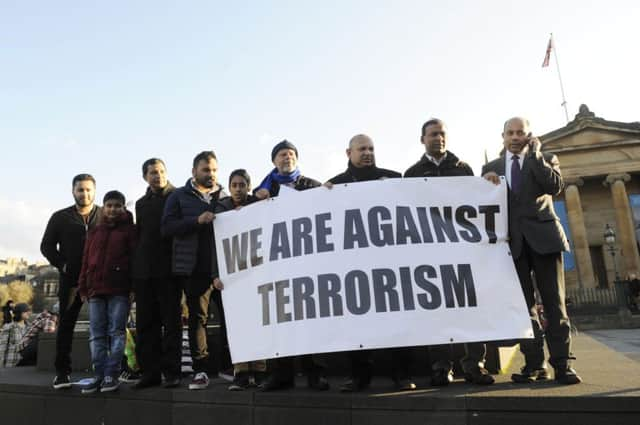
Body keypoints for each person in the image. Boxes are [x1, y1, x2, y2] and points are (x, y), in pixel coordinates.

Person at [482, 117, 581, 385]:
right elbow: (484, 204)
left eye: (520, 133)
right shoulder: (490, 167)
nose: (515, 137)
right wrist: (485, 184)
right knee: (523, 308)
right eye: (510, 133)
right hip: (513, 245)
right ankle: (534, 364)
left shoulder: (546, 157)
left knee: (554, 304)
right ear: (502, 136)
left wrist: (536, 154)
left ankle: (563, 364)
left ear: (529, 135)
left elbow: (554, 187)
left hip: (545, 239)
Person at [405, 118, 494, 386]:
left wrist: (489, 183)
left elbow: (479, 204)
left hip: (461, 251)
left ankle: (474, 365)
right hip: (430, 254)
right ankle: (441, 367)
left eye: (442, 134)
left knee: (471, 309)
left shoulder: (463, 168)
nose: (438, 138)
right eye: (433, 134)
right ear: (422, 139)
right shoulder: (410, 174)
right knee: (437, 311)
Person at [326, 134, 415, 392]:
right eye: (362, 149)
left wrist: (398, 190)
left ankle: (401, 374)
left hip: (392, 264)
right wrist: (323, 196)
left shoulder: (394, 178)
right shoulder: (335, 185)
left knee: (398, 319)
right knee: (357, 322)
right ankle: (359, 377)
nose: (367, 153)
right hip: (355, 267)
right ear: (348, 153)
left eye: (371, 148)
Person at [253, 140, 328, 391]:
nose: (288, 157)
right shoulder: (263, 191)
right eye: (282, 154)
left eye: (292, 154)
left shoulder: (311, 185)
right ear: (274, 161)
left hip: (307, 265)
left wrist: (332, 193)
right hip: (277, 267)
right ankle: (281, 374)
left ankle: (314, 373)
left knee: (310, 321)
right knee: (280, 321)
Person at [162, 151, 227, 390]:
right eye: (205, 170)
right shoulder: (178, 196)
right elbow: (167, 227)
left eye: (214, 170)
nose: (211, 174)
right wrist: (196, 221)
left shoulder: (226, 195)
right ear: (194, 172)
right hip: (195, 268)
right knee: (198, 319)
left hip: (225, 267)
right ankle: (201, 370)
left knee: (229, 317)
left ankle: (231, 367)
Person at [41, 173, 101, 389]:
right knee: (66, 325)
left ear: (94, 191)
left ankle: (109, 370)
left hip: (99, 280)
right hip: (71, 281)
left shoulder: (104, 214)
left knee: (107, 325)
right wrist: (63, 265)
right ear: (73, 191)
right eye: (80, 189)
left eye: (88, 189)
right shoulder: (60, 217)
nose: (84, 193)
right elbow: (46, 246)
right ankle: (62, 372)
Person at [78, 190, 137, 393]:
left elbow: (134, 262)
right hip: (95, 289)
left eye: (117, 206)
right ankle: (99, 374)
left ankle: (112, 373)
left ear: (123, 208)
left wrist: (133, 288)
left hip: (119, 289)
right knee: (96, 335)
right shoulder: (94, 232)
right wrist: (83, 286)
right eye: (109, 205)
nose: (112, 209)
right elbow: (85, 261)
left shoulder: (130, 231)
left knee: (117, 333)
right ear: (103, 207)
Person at [132, 158, 183, 389]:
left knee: (171, 323)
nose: (158, 176)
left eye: (161, 171)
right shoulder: (141, 204)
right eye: (153, 172)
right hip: (144, 273)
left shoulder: (178, 196)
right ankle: (149, 373)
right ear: (145, 176)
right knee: (145, 325)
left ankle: (172, 372)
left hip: (169, 271)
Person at [214, 169, 266, 391]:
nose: (237, 189)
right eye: (233, 185)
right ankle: (241, 372)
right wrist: (215, 274)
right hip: (233, 276)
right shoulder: (220, 209)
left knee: (260, 321)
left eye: (241, 184)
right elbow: (213, 245)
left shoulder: (260, 205)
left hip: (257, 273)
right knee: (238, 325)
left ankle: (261, 371)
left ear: (248, 186)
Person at [0, 303, 31, 367]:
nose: (29, 313)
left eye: (29, 311)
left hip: (26, 366)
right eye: (25, 311)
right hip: (12, 365)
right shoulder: (9, 327)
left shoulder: (31, 328)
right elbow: (2, 348)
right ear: (19, 312)